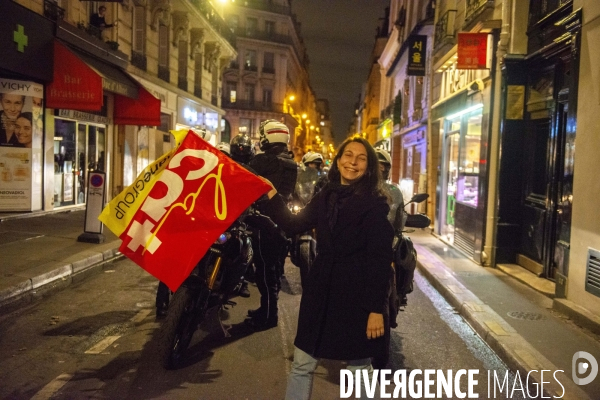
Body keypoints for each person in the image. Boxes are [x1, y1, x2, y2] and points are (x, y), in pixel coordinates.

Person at [260, 136, 394, 399]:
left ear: (368, 168)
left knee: (359, 367)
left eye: (361, 158)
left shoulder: (375, 205)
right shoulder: (326, 196)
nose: (353, 162)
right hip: (320, 289)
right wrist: (272, 195)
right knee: (302, 364)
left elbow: (379, 261)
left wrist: (376, 310)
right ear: (338, 160)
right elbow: (293, 223)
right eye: (348, 155)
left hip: (354, 296)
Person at [245, 119, 298, 330]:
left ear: (266, 137)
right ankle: (266, 309)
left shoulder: (263, 161)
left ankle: (268, 316)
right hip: (282, 223)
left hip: (263, 222)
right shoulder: (292, 164)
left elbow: (244, 177)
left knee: (264, 272)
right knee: (274, 271)